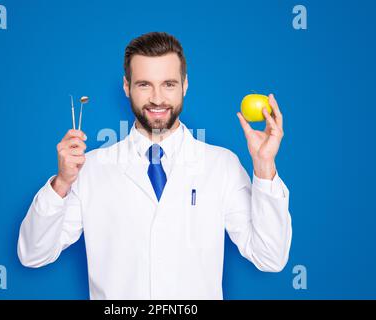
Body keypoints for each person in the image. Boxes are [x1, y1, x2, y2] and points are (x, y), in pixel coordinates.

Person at [17, 32, 292, 300]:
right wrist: (61, 183)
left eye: (169, 84)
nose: (157, 98)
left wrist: (264, 167)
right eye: (144, 84)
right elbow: (33, 254)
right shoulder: (91, 170)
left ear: (185, 85)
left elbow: (270, 257)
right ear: (127, 87)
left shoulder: (221, 165)